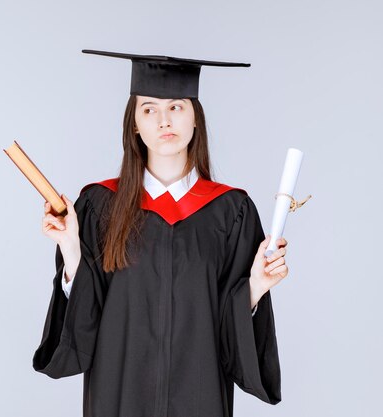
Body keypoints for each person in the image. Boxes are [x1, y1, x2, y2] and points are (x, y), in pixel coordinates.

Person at [32, 49, 289, 417]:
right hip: (118, 395)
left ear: (195, 118)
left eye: (177, 108)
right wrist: (70, 245)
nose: (164, 121)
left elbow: (230, 334)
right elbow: (85, 321)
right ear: (134, 124)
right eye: (149, 109)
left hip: (198, 397)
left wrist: (255, 288)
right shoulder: (100, 205)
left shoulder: (231, 211)